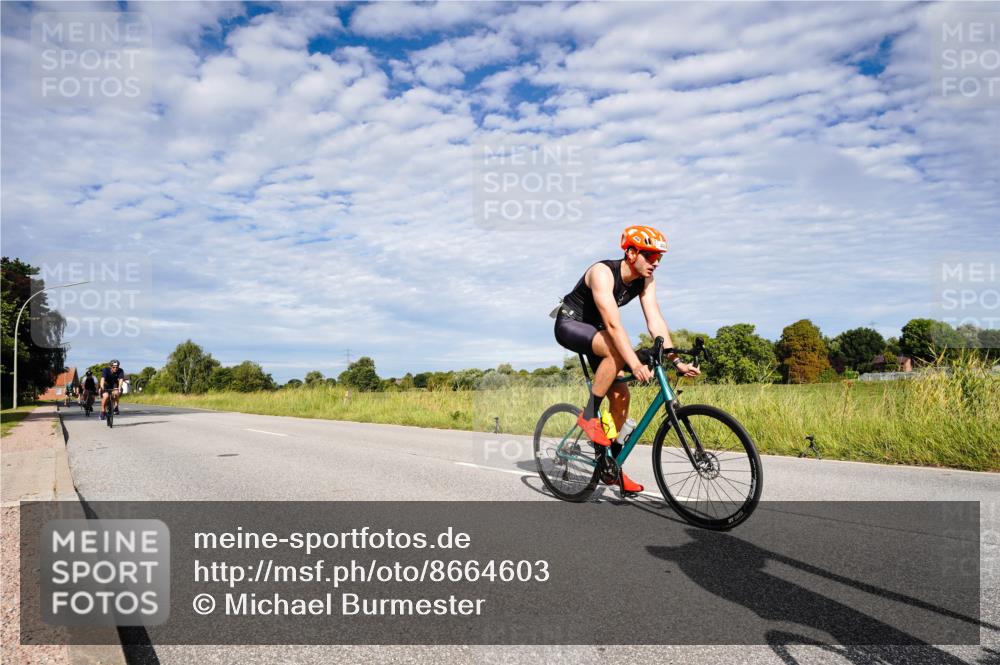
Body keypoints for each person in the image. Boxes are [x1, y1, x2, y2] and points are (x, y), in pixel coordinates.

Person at [554, 225, 701, 494]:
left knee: (622, 397)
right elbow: (612, 324)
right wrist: (633, 362)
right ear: (631, 253)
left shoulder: (646, 280)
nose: (656, 263)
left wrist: (676, 360)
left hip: (599, 334)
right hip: (571, 324)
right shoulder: (602, 273)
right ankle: (589, 416)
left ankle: (610, 467)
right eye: (650, 255)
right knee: (617, 349)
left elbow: (654, 319)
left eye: (660, 257)